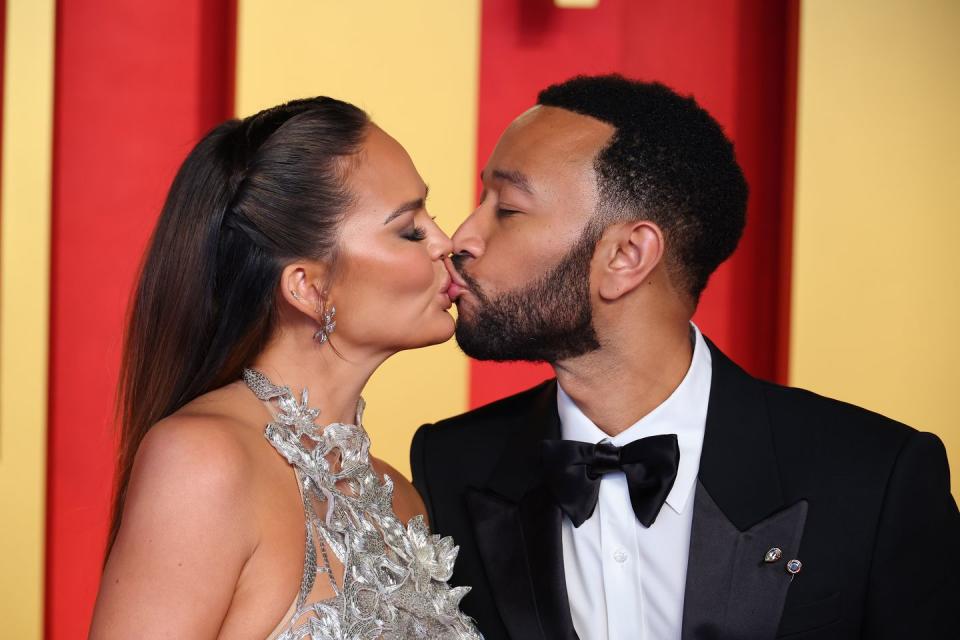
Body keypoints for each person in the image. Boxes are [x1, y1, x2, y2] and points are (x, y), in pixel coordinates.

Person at [411, 75, 960, 639]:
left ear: (628, 255)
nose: (462, 239)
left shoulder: (874, 477)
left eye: (508, 208)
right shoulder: (448, 466)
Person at [90, 97, 481, 640]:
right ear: (308, 287)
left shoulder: (401, 499)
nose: (448, 243)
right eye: (410, 230)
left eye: (430, 219)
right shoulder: (203, 462)